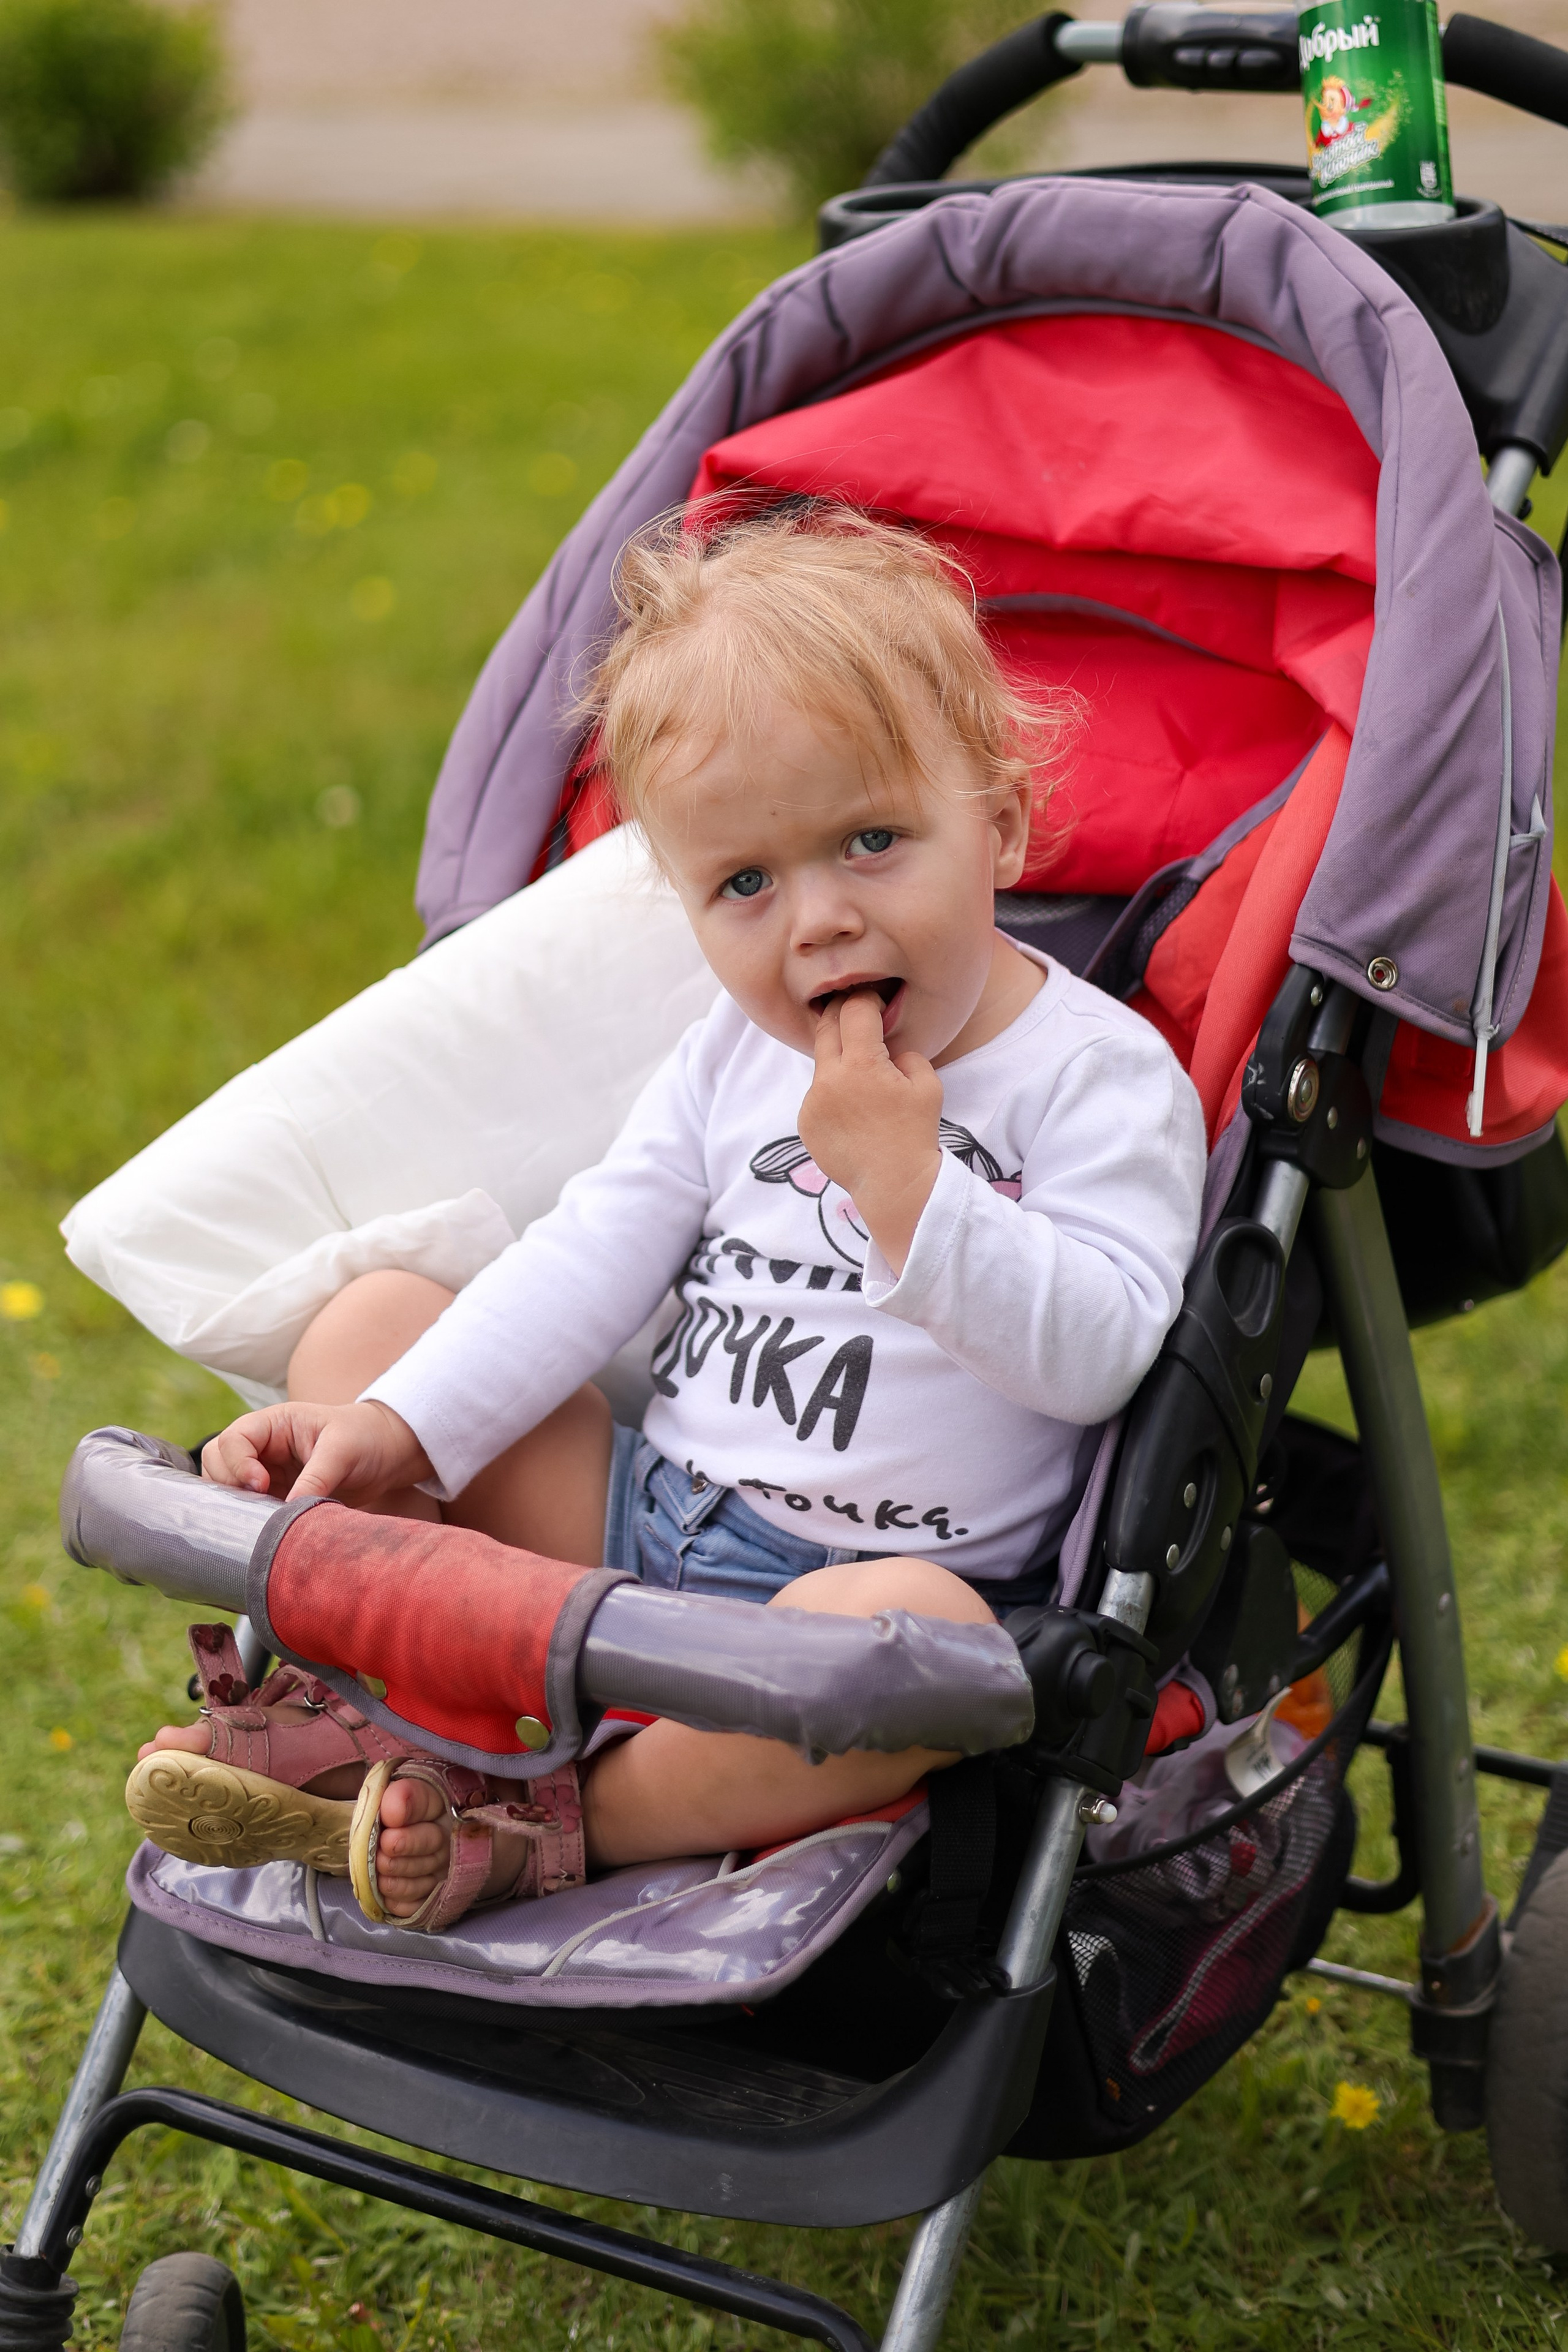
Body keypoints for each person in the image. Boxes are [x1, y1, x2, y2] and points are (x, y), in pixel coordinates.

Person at [128, 504, 1207, 1933]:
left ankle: (549, 1824)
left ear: (998, 821)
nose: (814, 922)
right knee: (374, 1322)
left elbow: (1099, 1356)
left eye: (870, 840)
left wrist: (912, 1190)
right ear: (685, 900)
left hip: (856, 1604)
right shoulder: (728, 1054)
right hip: (641, 1526)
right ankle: (381, 1722)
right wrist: (398, 1431)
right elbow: (589, 1259)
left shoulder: (1097, 1076)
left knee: (920, 1654)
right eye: (745, 884)